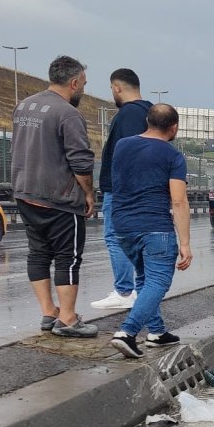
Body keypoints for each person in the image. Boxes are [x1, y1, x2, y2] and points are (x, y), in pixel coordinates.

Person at [11, 55, 97, 338]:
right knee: (67, 257)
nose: (83, 89)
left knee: (38, 253)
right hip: (59, 198)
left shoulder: (24, 106)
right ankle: (68, 319)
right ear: (73, 83)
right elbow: (81, 162)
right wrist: (88, 194)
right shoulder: (68, 114)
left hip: (26, 192)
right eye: (83, 83)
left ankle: (49, 312)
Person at [108, 104, 193, 358]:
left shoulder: (122, 145)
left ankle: (156, 331)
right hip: (155, 226)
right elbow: (179, 201)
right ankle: (127, 332)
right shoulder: (173, 156)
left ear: (148, 121)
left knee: (144, 278)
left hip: (122, 225)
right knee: (158, 281)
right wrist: (185, 243)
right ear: (174, 127)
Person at [90, 69, 152, 310]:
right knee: (136, 241)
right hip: (143, 189)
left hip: (121, 190)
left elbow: (128, 154)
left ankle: (124, 291)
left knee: (116, 238)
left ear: (117, 87)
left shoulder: (128, 115)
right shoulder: (149, 112)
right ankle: (140, 290)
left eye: (111, 89)